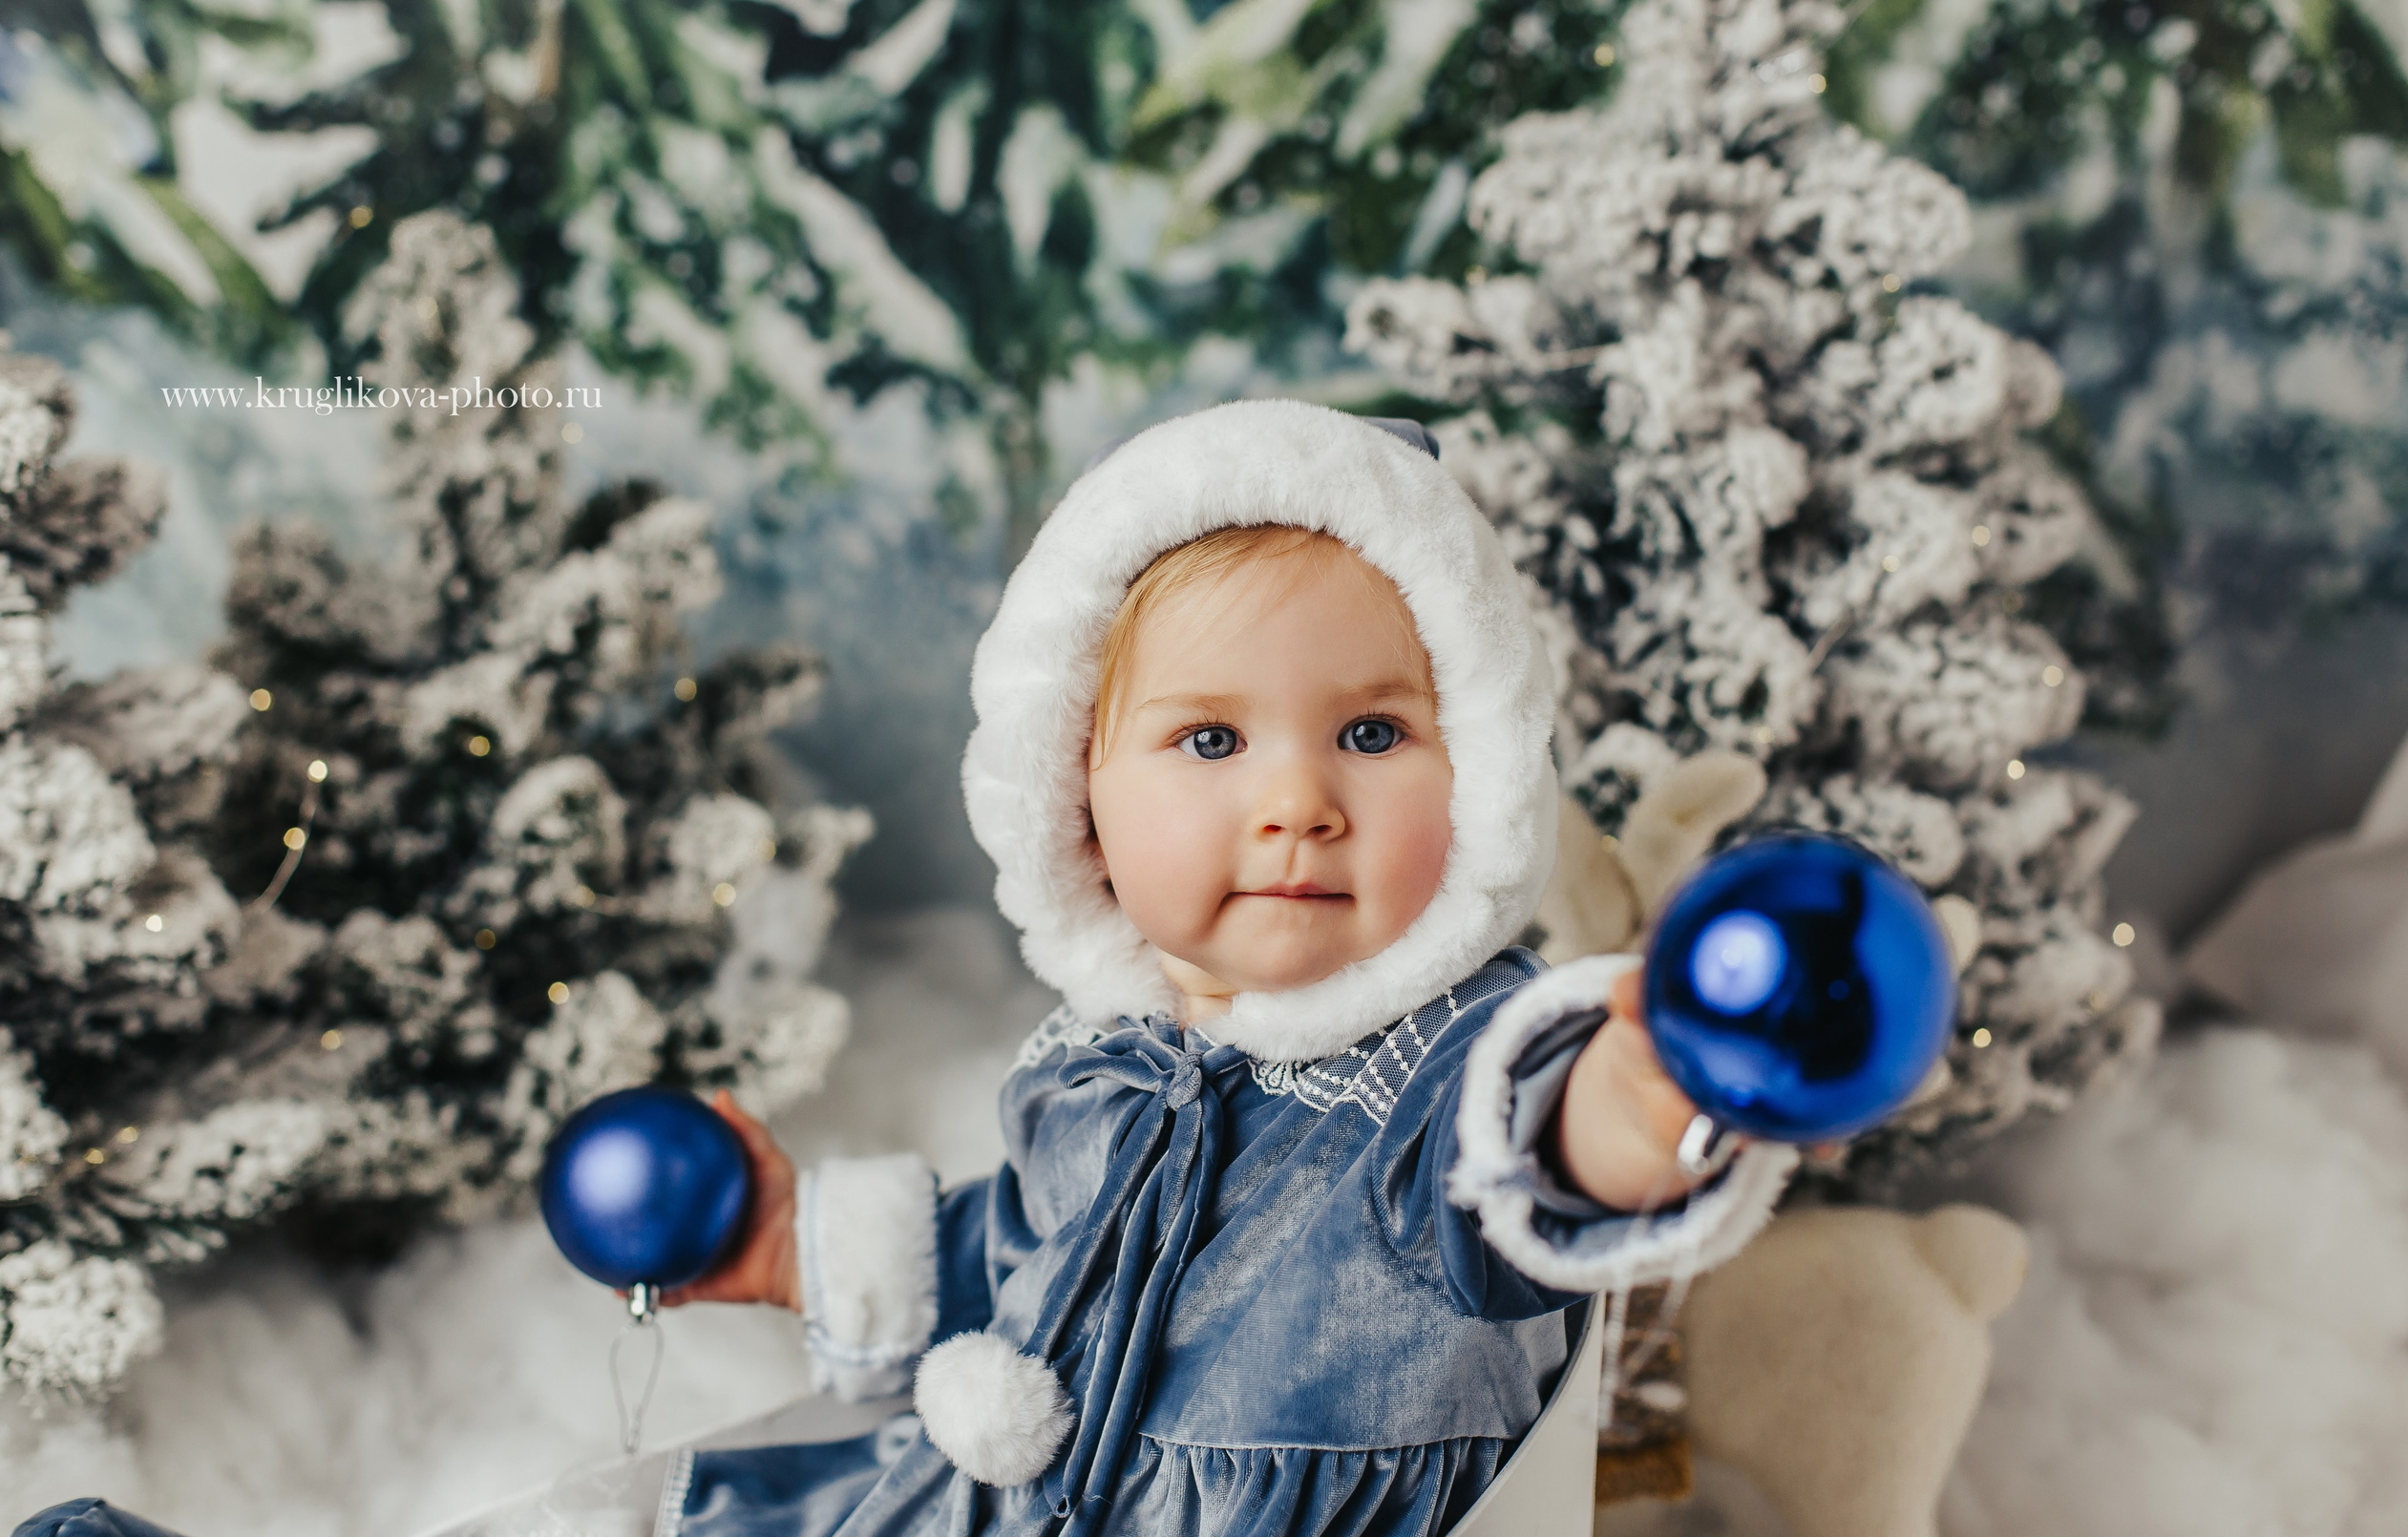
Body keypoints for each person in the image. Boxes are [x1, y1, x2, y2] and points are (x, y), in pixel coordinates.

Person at [15, 402, 1795, 1537]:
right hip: (971, 1498)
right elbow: (1016, 1263)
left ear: (1475, 772)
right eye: (1205, 744)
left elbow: (1547, 1165)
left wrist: (1663, 1083)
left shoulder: (1441, 1087)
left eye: (1374, 732)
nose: (1297, 807)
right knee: (656, 1522)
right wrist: (800, 1247)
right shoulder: (1105, 1061)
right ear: (1074, 802)